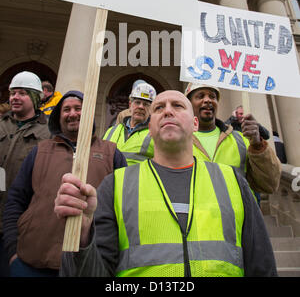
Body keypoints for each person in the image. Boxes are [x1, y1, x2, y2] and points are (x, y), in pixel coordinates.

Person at [54, 90, 277, 277]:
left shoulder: (234, 182)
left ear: (195, 124)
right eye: (159, 108)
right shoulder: (115, 186)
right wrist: (82, 239)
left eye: (178, 106)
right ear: (150, 128)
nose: (168, 110)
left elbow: (262, 265)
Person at [3, 90, 127, 277]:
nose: (72, 113)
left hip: (88, 264)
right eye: (66, 109)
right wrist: (13, 250)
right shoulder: (40, 151)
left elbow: (124, 207)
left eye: (78, 108)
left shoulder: (112, 153)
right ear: (58, 117)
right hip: (31, 261)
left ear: (89, 114)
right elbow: (15, 200)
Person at [185, 83, 281, 195]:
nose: (207, 100)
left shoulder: (241, 140)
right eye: (200, 96)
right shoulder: (178, 141)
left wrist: (258, 146)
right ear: (189, 104)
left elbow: (270, 185)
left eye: (212, 97)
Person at [0, 71, 50, 277]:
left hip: (18, 224)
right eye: (12, 93)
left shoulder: (48, 134)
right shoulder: (1, 124)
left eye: (22, 93)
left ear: (35, 98)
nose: (14, 98)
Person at [103, 81, 157, 165]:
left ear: (151, 109)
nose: (141, 107)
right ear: (130, 105)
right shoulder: (111, 131)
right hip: (111, 178)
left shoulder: (156, 134)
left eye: (146, 104)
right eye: (137, 102)